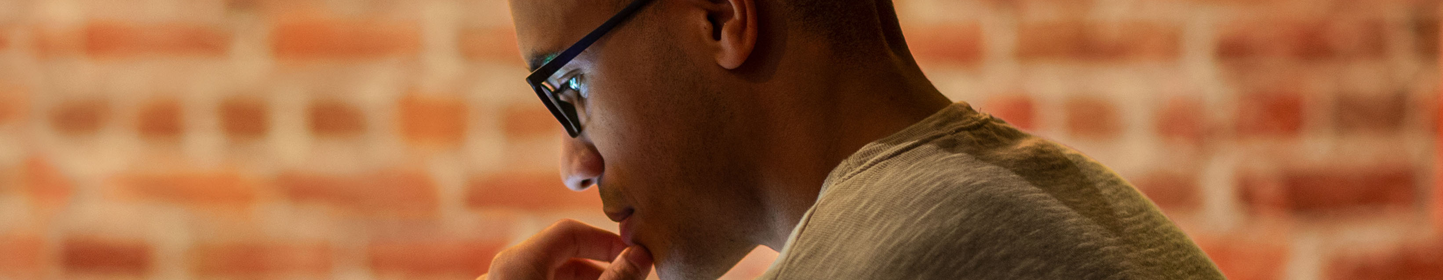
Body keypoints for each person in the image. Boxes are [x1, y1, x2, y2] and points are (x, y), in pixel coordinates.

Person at [479, 0, 1225, 279]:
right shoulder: (1059, 203)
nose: (575, 167)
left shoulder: (903, 260)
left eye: (568, 88)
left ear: (720, 17)